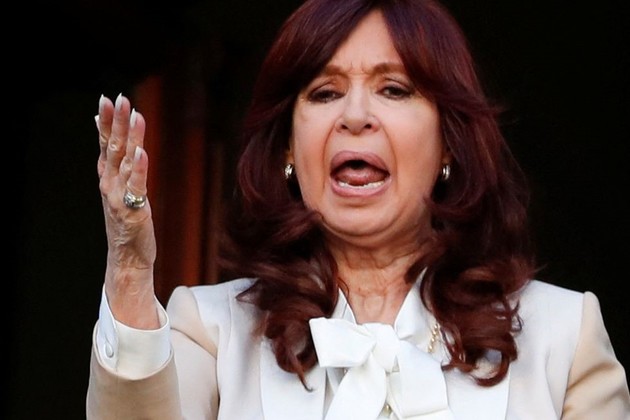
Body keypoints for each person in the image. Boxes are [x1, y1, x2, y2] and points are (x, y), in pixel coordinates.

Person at [87, 0, 630, 418]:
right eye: (325, 93)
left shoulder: (563, 336)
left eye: (393, 89)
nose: (355, 116)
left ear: (449, 143)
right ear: (288, 148)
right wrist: (130, 272)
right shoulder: (212, 329)